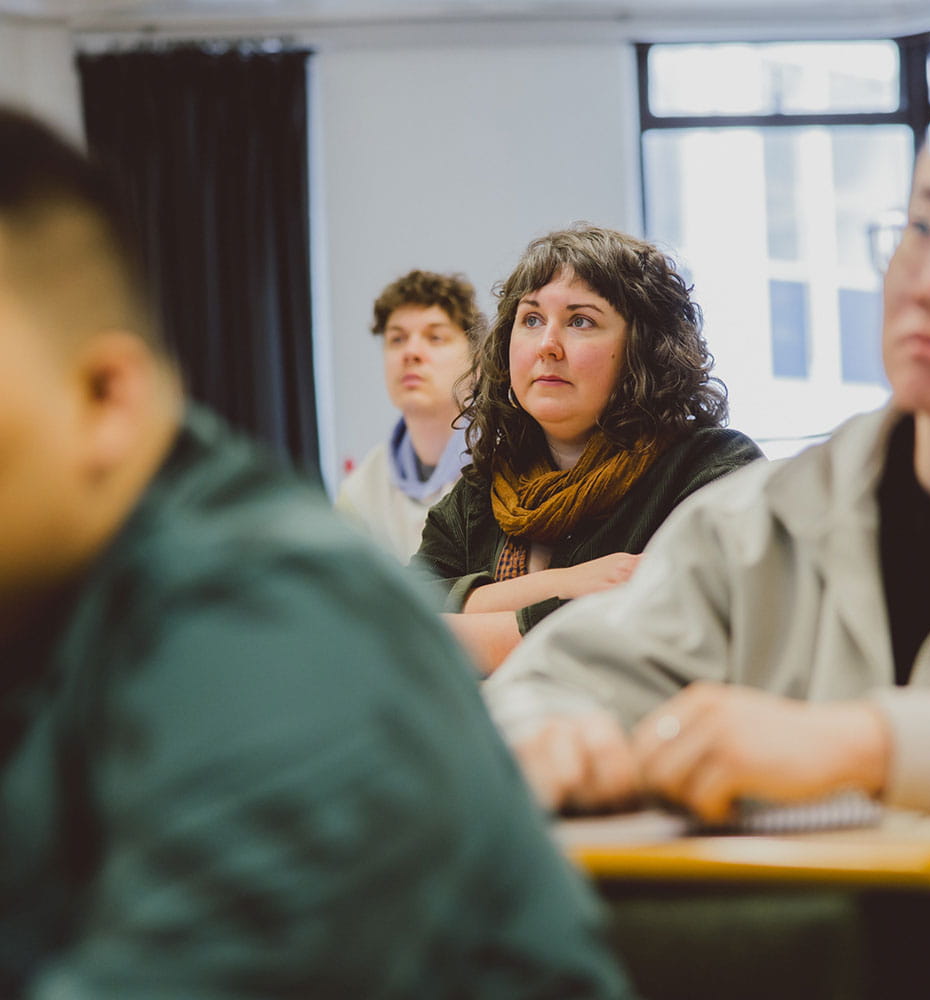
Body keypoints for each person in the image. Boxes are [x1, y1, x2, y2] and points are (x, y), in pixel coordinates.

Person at [0, 105, 638, 998]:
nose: (550, 349)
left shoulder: (274, 628)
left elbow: (592, 610)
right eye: (532, 321)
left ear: (109, 396)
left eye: (436, 338)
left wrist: (499, 607)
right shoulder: (424, 492)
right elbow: (437, 596)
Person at [483, 94, 930, 827]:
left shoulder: (708, 468)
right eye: (925, 227)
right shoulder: (752, 525)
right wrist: (556, 739)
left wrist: (870, 744)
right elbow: (546, 686)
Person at [414, 224, 763, 673]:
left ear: (644, 347)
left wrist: (464, 624)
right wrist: (568, 583)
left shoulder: (713, 471)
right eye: (532, 319)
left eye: (581, 321)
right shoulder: (479, 495)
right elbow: (391, 628)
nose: (547, 346)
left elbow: (668, 640)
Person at [336, 269, 484, 562]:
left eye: (436, 337)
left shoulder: (507, 465)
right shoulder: (361, 492)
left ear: (477, 363)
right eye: (397, 339)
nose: (411, 352)